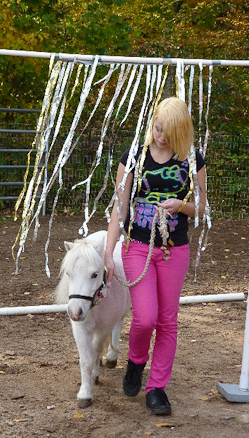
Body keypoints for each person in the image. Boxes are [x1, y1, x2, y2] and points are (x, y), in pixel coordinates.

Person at [104, 97, 206, 416]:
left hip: (175, 250)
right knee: (145, 317)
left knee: (167, 321)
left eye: (168, 130)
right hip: (137, 247)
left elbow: (202, 207)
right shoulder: (134, 156)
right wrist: (108, 253)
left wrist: (182, 206)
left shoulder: (192, 159)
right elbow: (120, 209)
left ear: (181, 130)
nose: (161, 136)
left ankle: (157, 387)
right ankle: (136, 361)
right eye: (157, 128)